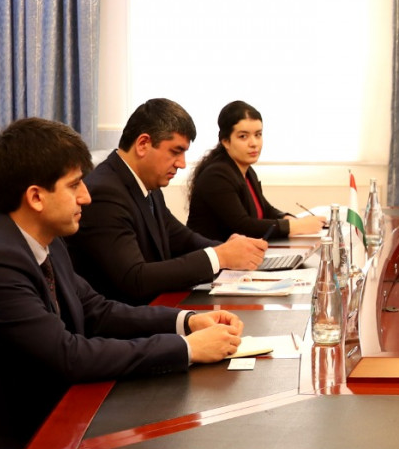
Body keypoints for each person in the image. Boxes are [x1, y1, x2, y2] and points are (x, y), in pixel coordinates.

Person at [0, 118, 243, 449]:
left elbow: (96, 310)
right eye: (74, 185)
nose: (86, 197)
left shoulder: (44, 238)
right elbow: (68, 356)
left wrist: (186, 321)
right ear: (36, 197)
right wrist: (186, 349)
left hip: (45, 413)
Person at [67, 98, 268, 305]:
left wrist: (233, 250)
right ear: (143, 144)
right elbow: (135, 278)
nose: (182, 164)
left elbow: (182, 239)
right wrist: (220, 257)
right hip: (125, 318)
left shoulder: (148, 186)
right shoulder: (105, 193)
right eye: (176, 151)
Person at [186, 100, 326, 241]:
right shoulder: (216, 175)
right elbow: (243, 226)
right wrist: (296, 226)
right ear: (226, 141)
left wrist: (287, 218)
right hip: (213, 253)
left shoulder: (247, 171)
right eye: (243, 136)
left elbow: (266, 210)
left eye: (258, 134)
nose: (254, 143)